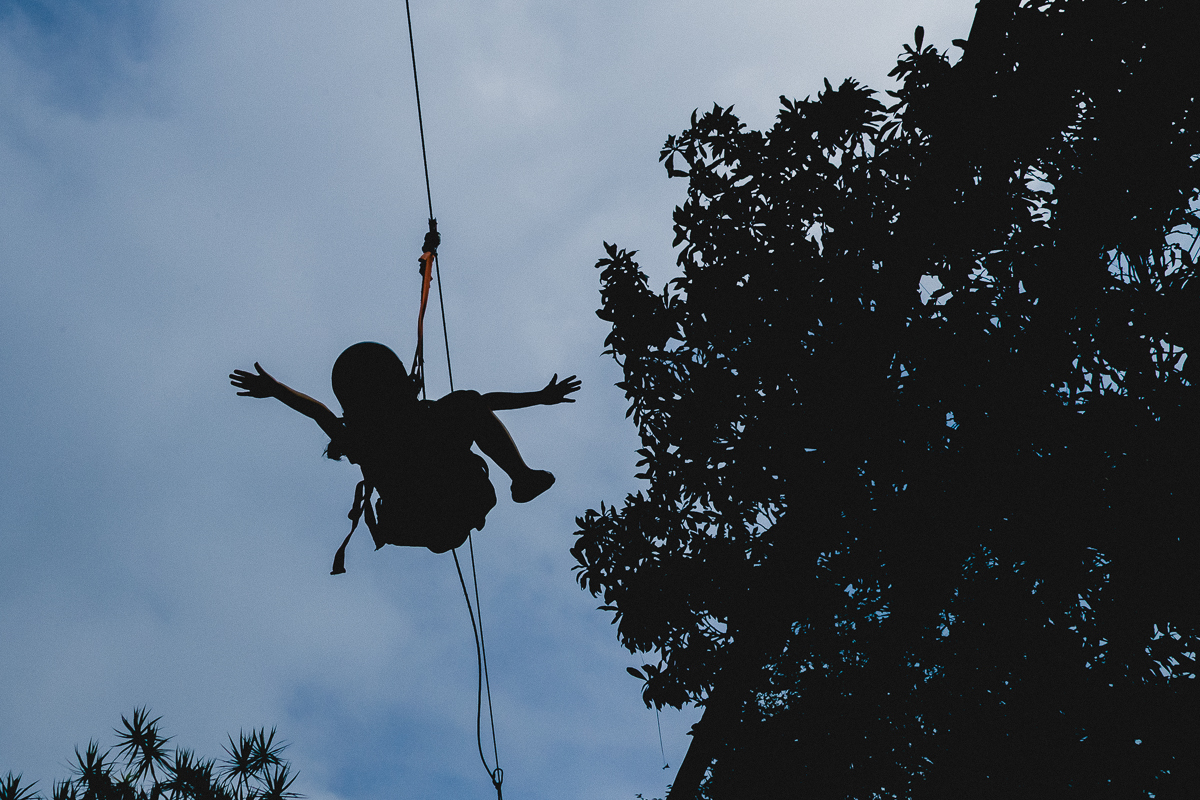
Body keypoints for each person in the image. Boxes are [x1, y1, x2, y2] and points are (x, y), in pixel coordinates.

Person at [230, 342, 579, 568]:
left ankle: (522, 477)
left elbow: (320, 413)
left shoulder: (376, 434)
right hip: (428, 515)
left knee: (467, 403)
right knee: (467, 403)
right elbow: (319, 412)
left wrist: (539, 396)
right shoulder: (373, 436)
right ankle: (520, 476)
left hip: (443, 508)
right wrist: (277, 391)